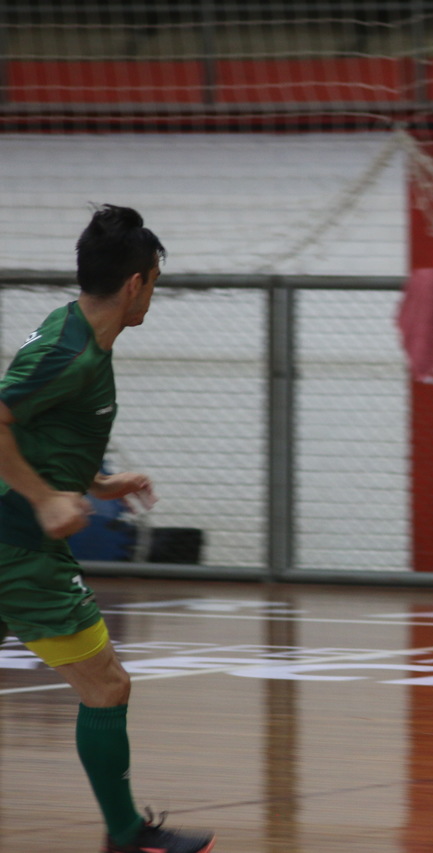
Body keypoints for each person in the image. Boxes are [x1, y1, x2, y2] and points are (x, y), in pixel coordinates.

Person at [0, 205, 215, 853]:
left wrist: (96, 483)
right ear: (135, 283)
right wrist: (45, 498)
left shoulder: (71, 329)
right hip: (19, 545)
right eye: (155, 282)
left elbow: (40, 428)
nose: (153, 294)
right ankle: (126, 836)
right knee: (106, 684)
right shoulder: (69, 353)